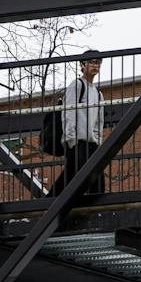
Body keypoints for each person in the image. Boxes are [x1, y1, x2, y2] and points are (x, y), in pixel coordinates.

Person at [51, 49, 105, 196]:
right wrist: (71, 139)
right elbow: (68, 113)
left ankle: (97, 208)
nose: (96, 66)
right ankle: (47, 204)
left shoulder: (98, 93)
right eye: (92, 62)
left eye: (98, 63)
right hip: (77, 142)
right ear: (82, 65)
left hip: (91, 144)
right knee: (72, 179)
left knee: (96, 178)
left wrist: (98, 140)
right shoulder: (77, 85)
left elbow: (99, 121)